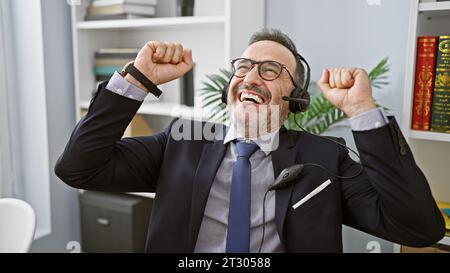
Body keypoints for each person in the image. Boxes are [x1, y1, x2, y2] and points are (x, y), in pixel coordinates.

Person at [55, 28, 444, 253]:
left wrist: (362, 112)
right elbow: (78, 167)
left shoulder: (326, 159)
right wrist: (137, 78)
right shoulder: (181, 141)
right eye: (243, 66)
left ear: (295, 101)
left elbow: (419, 228)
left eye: (271, 70)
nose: (251, 77)